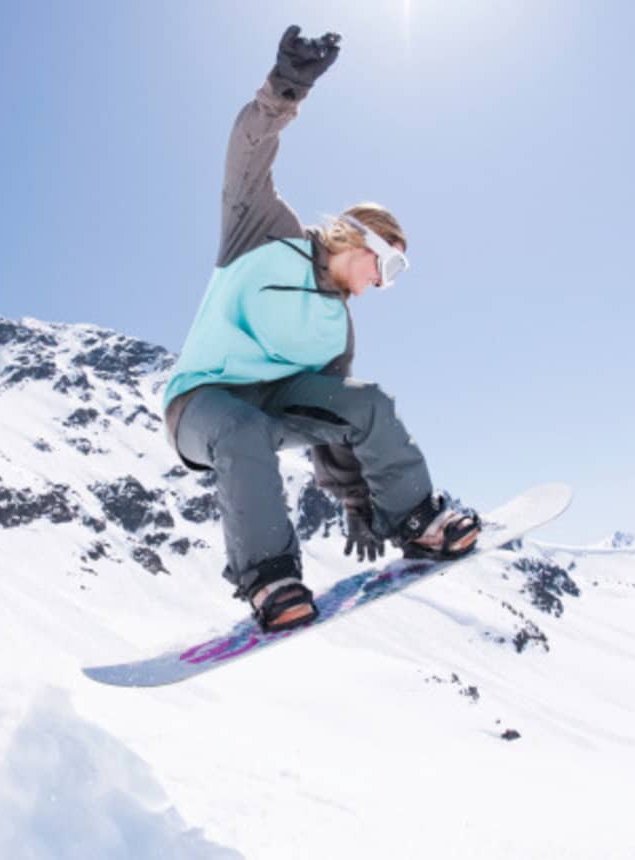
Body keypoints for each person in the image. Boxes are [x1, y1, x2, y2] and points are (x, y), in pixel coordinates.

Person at [162, 26, 480, 633]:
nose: (383, 284)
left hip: (277, 404)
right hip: (202, 403)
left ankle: (417, 522)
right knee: (243, 429)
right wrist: (288, 87)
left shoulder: (336, 328)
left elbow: (332, 423)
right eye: (386, 266)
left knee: (366, 401)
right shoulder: (262, 234)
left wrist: (363, 502)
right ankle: (270, 578)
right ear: (358, 239)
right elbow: (246, 155)